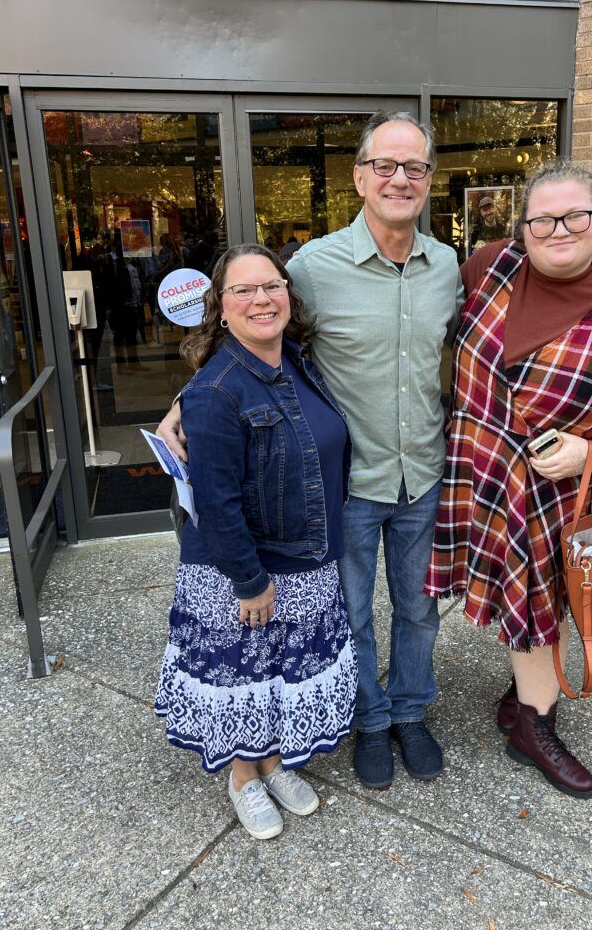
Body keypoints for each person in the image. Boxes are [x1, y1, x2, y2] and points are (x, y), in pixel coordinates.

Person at [158, 111, 464, 791]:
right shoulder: (313, 268)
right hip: (347, 487)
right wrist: (191, 396)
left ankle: (411, 711)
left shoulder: (447, 266)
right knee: (349, 616)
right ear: (359, 177)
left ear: (428, 180)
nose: (398, 178)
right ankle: (370, 720)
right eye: (384, 165)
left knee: (418, 609)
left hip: (425, 477)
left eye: (413, 167)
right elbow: (255, 330)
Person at [425, 158, 592, 799]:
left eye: (575, 215)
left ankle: (532, 726)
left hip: (556, 491)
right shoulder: (488, 268)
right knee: (527, 604)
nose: (559, 228)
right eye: (543, 218)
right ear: (524, 225)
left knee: (542, 602)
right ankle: (524, 700)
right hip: (478, 473)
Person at [154, 243, 357, 841]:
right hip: (245, 566)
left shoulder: (295, 359)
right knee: (241, 674)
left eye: (271, 285)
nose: (261, 299)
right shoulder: (214, 392)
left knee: (280, 670)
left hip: (306, 552)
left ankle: (273, 761)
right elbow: (216, 503)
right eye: (242, 290)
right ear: (220, 307)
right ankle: (243, 774)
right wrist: (249, 579)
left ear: (289, 296)